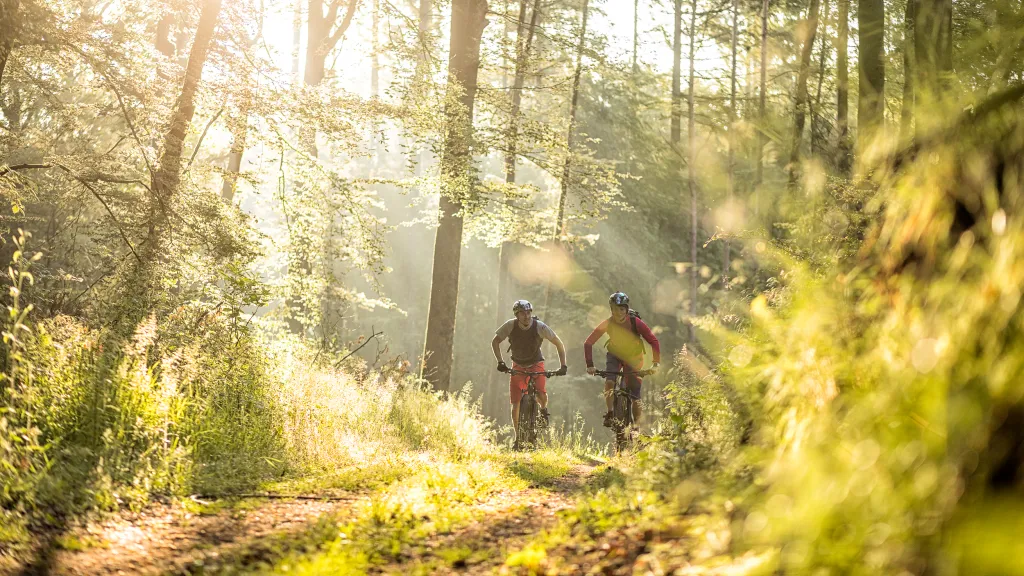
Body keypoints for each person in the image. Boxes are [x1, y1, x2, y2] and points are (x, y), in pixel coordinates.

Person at [491, 299, 567, 447]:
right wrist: (500, 361)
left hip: (536, 364)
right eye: (522, 313)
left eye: (528, 312)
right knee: (515, 403)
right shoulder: (510, 326)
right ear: (516, 315)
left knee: (541, 394)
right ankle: (518, 438)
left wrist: (563, 365)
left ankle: (543, 410)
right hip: (518, 365)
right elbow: (495, 341)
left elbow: (559, 343)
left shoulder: (539, 326)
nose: (526, 316)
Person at [584, 292, 660, 428]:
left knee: (635, 394)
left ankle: (637, 428)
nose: (618, 312)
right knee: (609, 382)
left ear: (626, 309)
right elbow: (588, 342)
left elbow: (653, 340)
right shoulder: (607, 323)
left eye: (621, 309)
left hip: (634, 357)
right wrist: (590, 365)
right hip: (615, 356)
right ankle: (610, 413)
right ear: (611, 309)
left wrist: (655, 363)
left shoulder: (635, 322)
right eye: (615, 309)